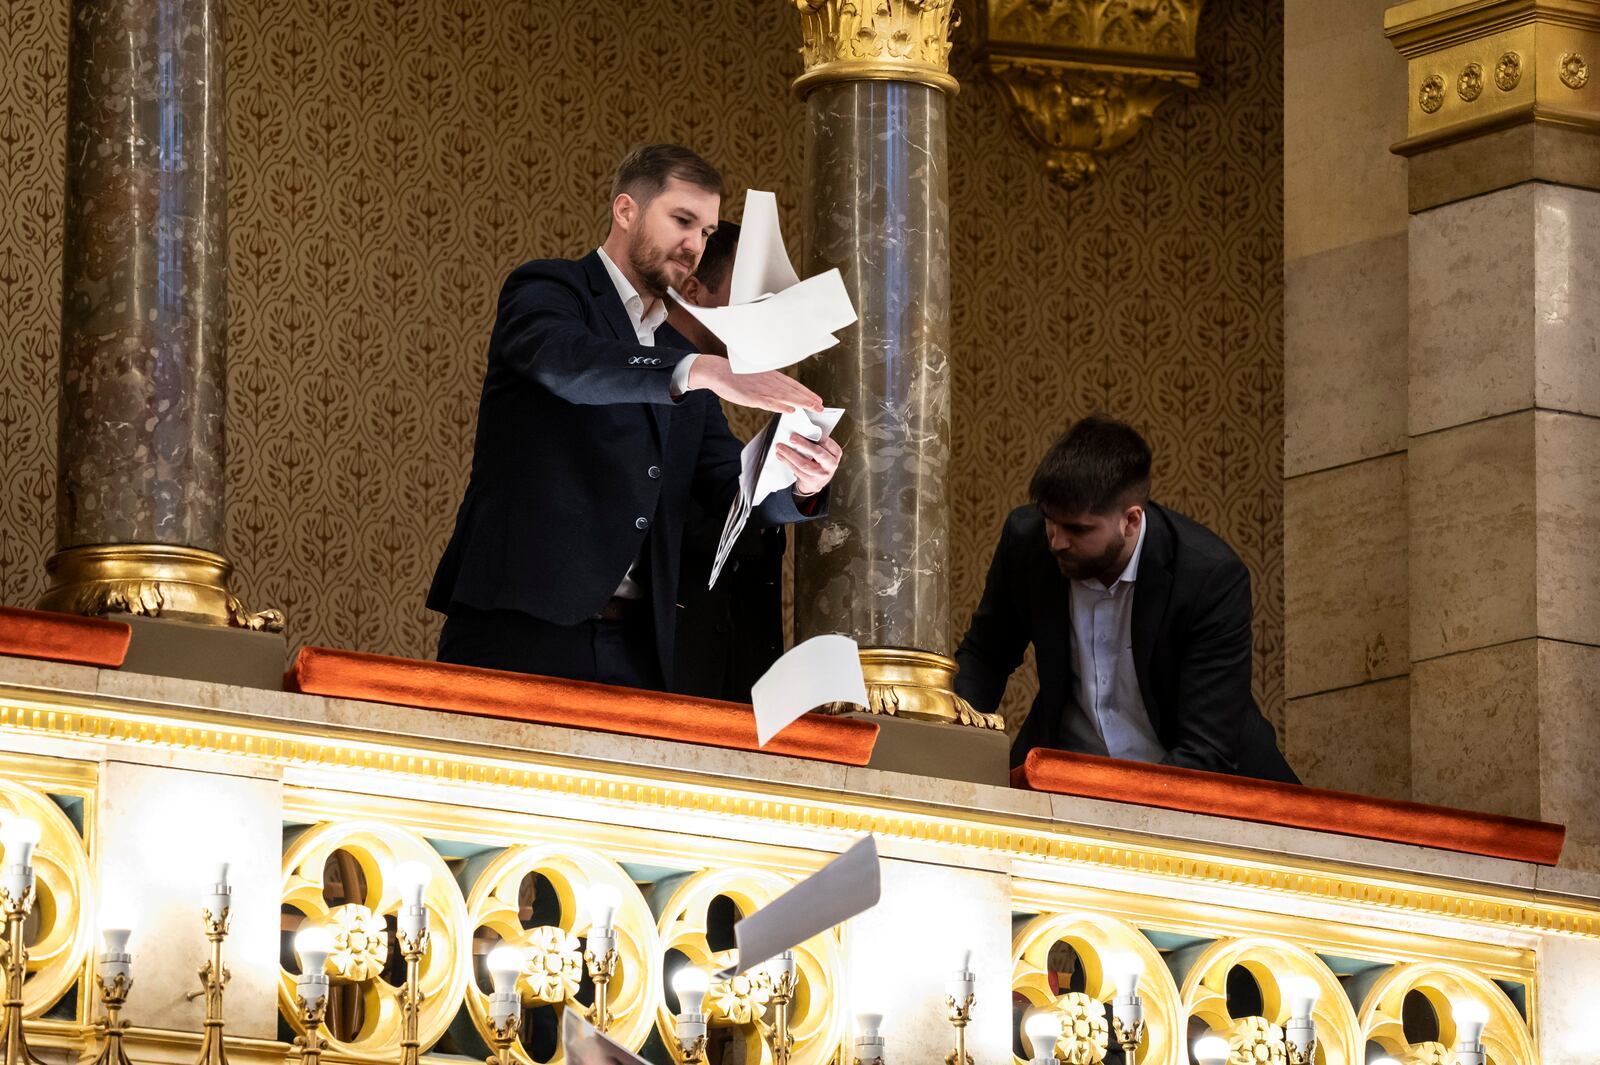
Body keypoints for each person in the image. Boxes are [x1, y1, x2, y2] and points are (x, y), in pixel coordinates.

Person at [427, 145, 841, 691]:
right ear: (626, 211)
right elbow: (565, 363)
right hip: (519, 628)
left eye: (707, 233)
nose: (694, 245)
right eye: (682, 220)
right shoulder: (550, 290)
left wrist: (801, 481)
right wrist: (701, 370)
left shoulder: (681, 359)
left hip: (640, 652)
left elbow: (726, 488)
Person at [954, 415, 1297, 782]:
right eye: (1049, 520)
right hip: (1064, 778)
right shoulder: (1027, 542)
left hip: (1203, 790)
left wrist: (1117, 804)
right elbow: (986, 656)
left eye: (1077, 529)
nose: (1056, 540)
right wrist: (955, 747)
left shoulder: (1209, 578)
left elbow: (1207, 749)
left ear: (1130, 520)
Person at [661, 220, 786, 702]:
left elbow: (728, 484)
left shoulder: (700, 391)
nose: (760, 310)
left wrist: (797, 482)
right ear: (693, 290)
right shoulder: (658, 368)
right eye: (747, 290)